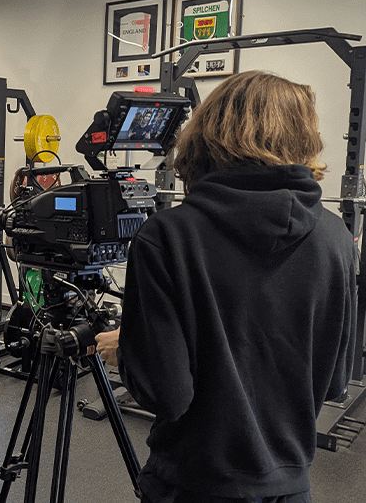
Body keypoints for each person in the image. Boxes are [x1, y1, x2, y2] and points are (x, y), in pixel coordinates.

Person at [95, 70, 355, 503]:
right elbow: (334, 382)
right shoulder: (336, 237)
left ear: (209, 132)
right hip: (290, 487)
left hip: (194, 485)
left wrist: (129, 348)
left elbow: (166, 395)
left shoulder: (167, 236)